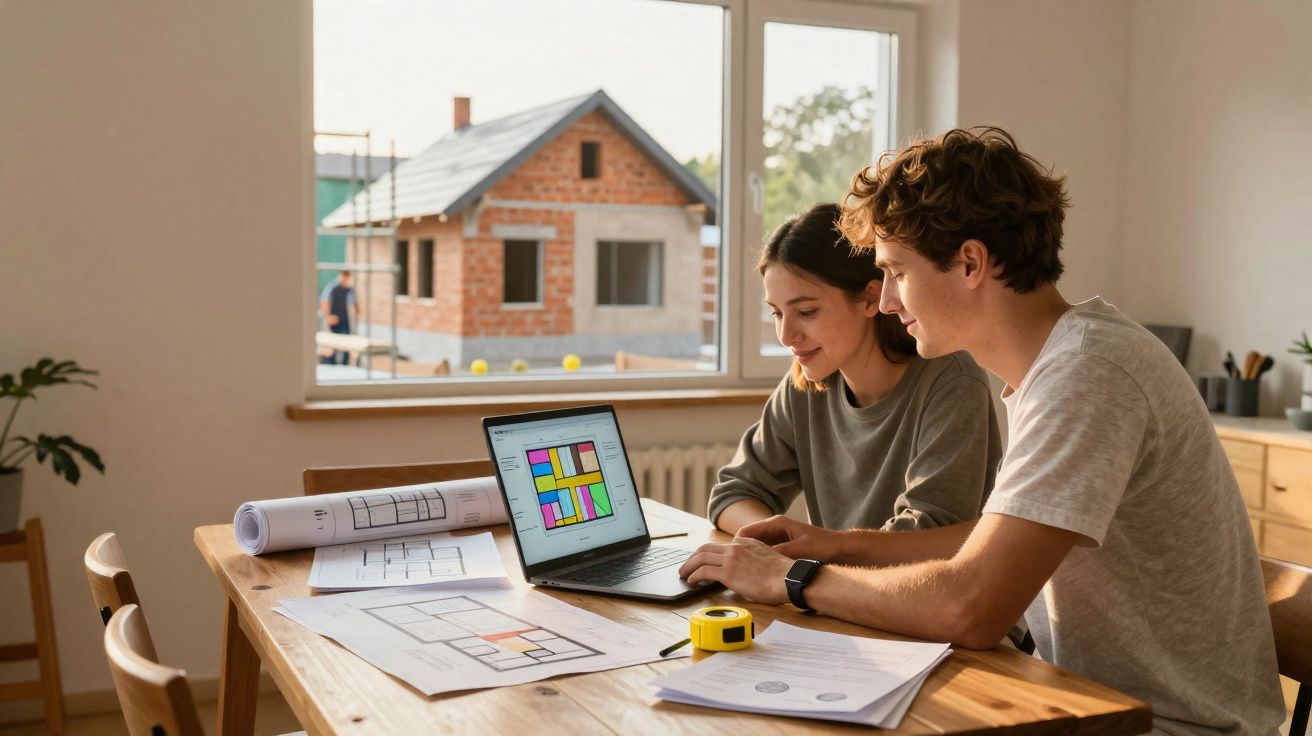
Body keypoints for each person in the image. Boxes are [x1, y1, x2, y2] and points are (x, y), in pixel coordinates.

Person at [680, 128, 1283, 735]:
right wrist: (834, 545)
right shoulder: (1063, 364)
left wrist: (791, 579)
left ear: (970, 262)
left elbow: (970, 608)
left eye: (896, 273)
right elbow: (979, 545)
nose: (886, 301)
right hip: (1082, 701)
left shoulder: (1088, 374)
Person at [710, 202, 1002, 539]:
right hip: (832, 584)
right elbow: (732, 493)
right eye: (777, 313)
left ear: (869, 299)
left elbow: (930, 532)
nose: (786, 336)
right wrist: (793, 549)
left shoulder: (951, 381)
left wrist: (815, 551)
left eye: (805, 311)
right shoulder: (805, 383)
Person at [319, 270, 358, 365]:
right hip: (334, 320)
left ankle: (344, 365)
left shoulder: (349, 289)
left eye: (347, 277)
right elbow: (324, 301)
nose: (345, 279)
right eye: (344, 276)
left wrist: (357, 312)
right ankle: (329, 365)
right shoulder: (332, 288)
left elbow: (354, 302)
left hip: (345, 320)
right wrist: (328, 317)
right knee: (332, 346)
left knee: (346, 346)